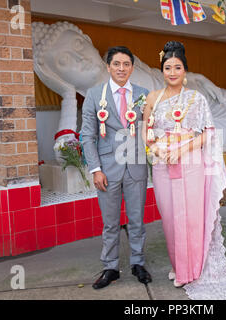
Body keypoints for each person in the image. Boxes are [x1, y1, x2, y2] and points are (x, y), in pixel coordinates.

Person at [142, 41, 226, 299]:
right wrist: (157, 150)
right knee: (170, 218)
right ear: (161, 70)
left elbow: (208, 133)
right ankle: (180, 266)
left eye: (178, 67)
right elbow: (146, 133)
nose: (172, 72)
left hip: (191, 165)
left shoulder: (196, 99)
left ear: (185, 70)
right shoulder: (152, 98)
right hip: (163, 166)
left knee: (191, 218)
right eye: (167, 67)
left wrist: (182, 149)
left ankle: (194, 270)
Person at [81, 46, 152, 289]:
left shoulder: (144, 94)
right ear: (108, 67)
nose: (121, 68)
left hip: (136, 166)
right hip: (107, 169)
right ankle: (110, 267)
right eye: (116, 64)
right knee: (110, 222)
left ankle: (138, 263)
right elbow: (87, 135)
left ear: (132, 67)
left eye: (126, 64)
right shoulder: (93, 95)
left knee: (137, 220)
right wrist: (95, 169)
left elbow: (150, 130)